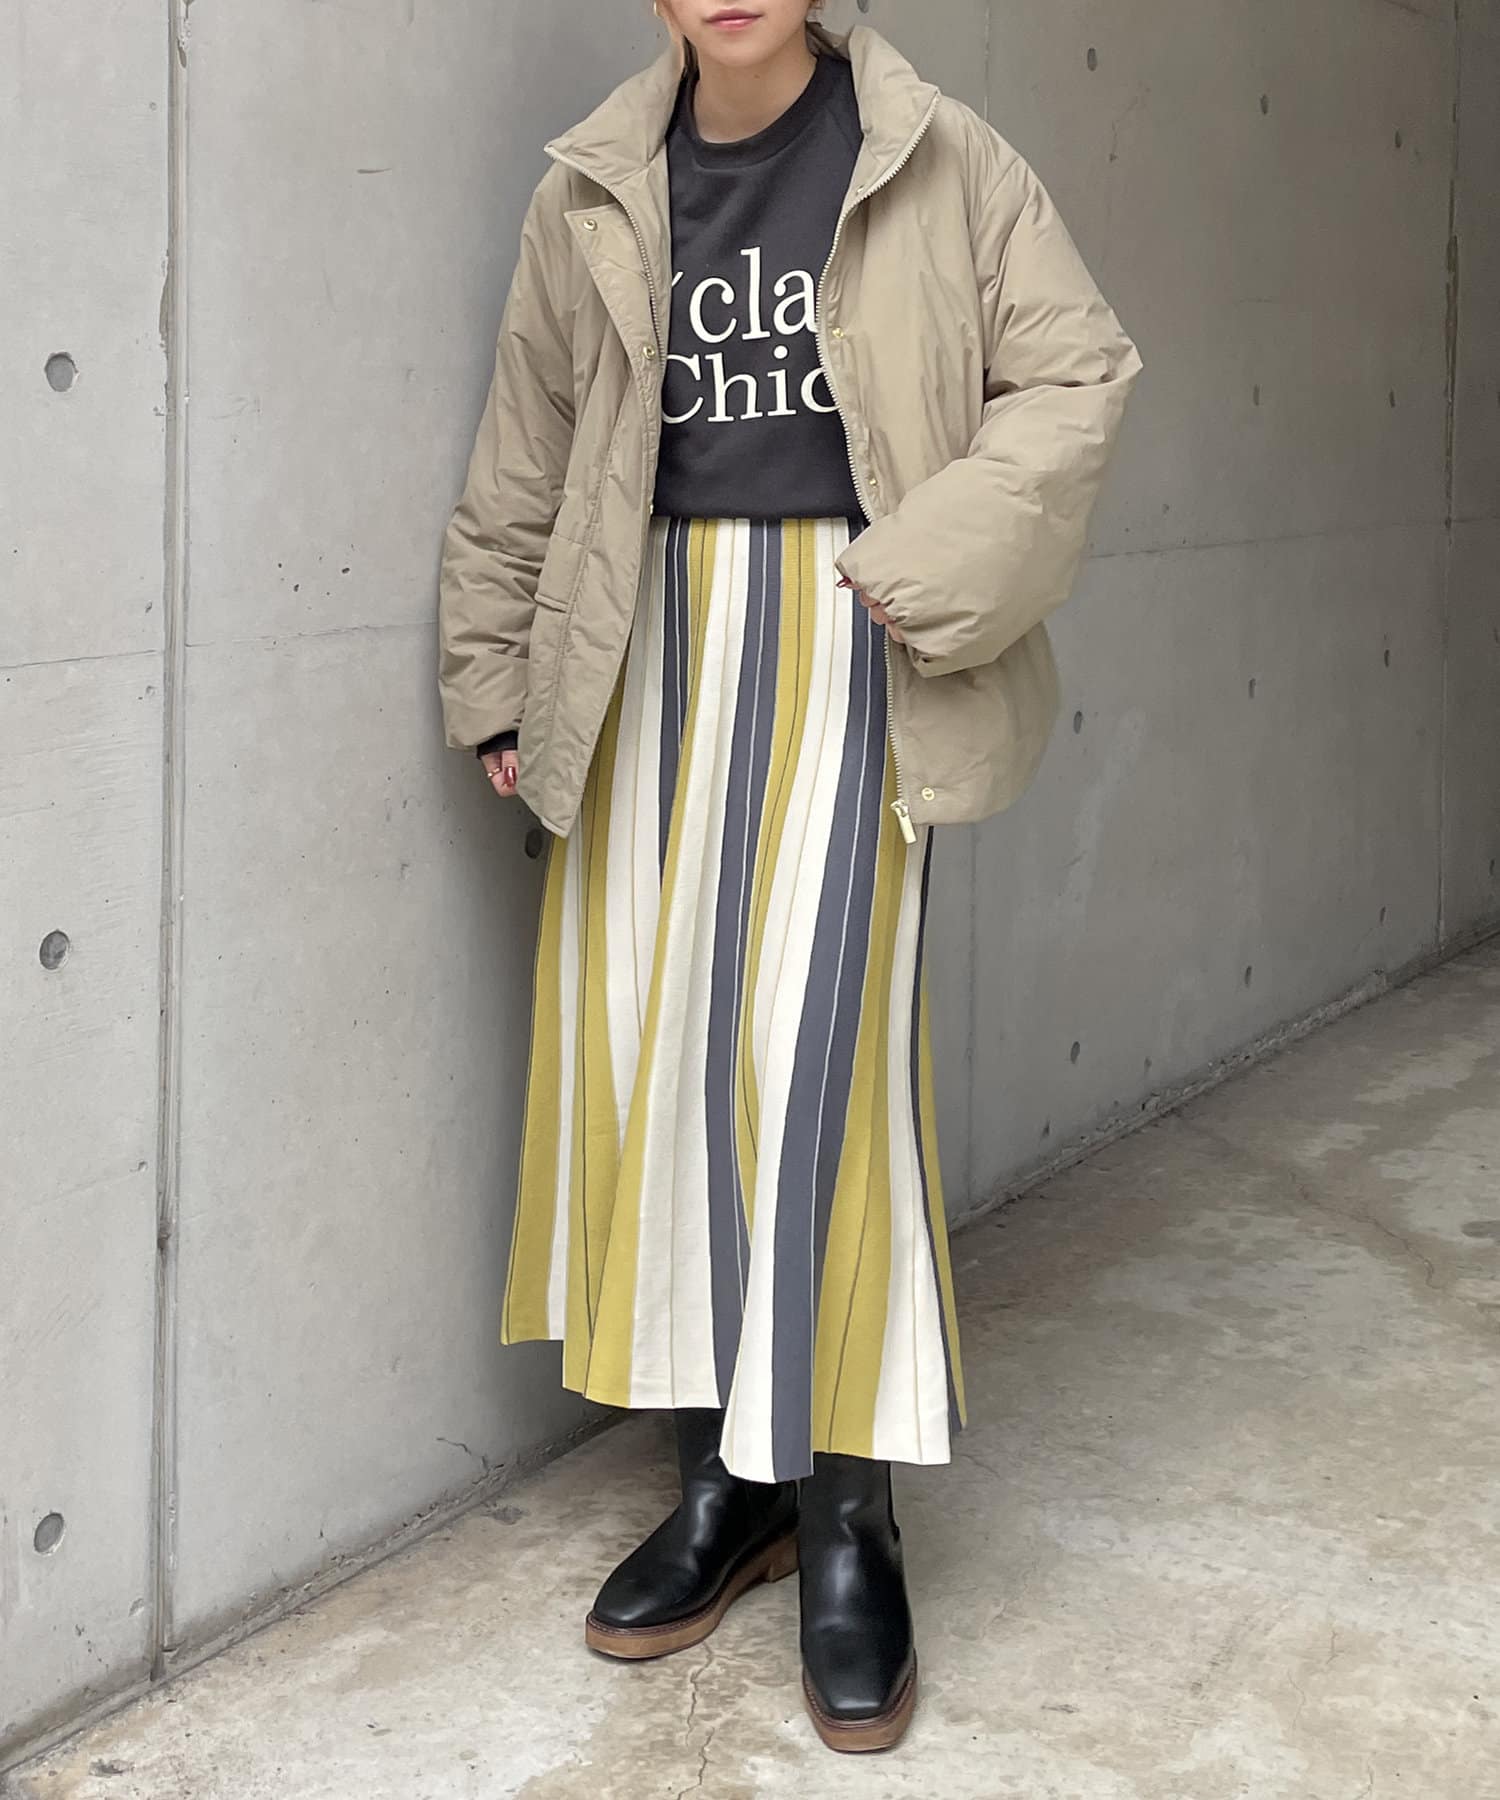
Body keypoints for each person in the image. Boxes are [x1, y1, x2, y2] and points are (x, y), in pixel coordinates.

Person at [438, 0, 1141, 1755]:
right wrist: (495, 677)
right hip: (639, 653)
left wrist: (926, 561)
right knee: (659, 1066)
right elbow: (529, 446)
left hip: (851, 647)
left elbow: (1076, 379)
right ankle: (725, 1491)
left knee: (814, 1081)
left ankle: (846, 1521)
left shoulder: (939, 157)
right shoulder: (597, 183)